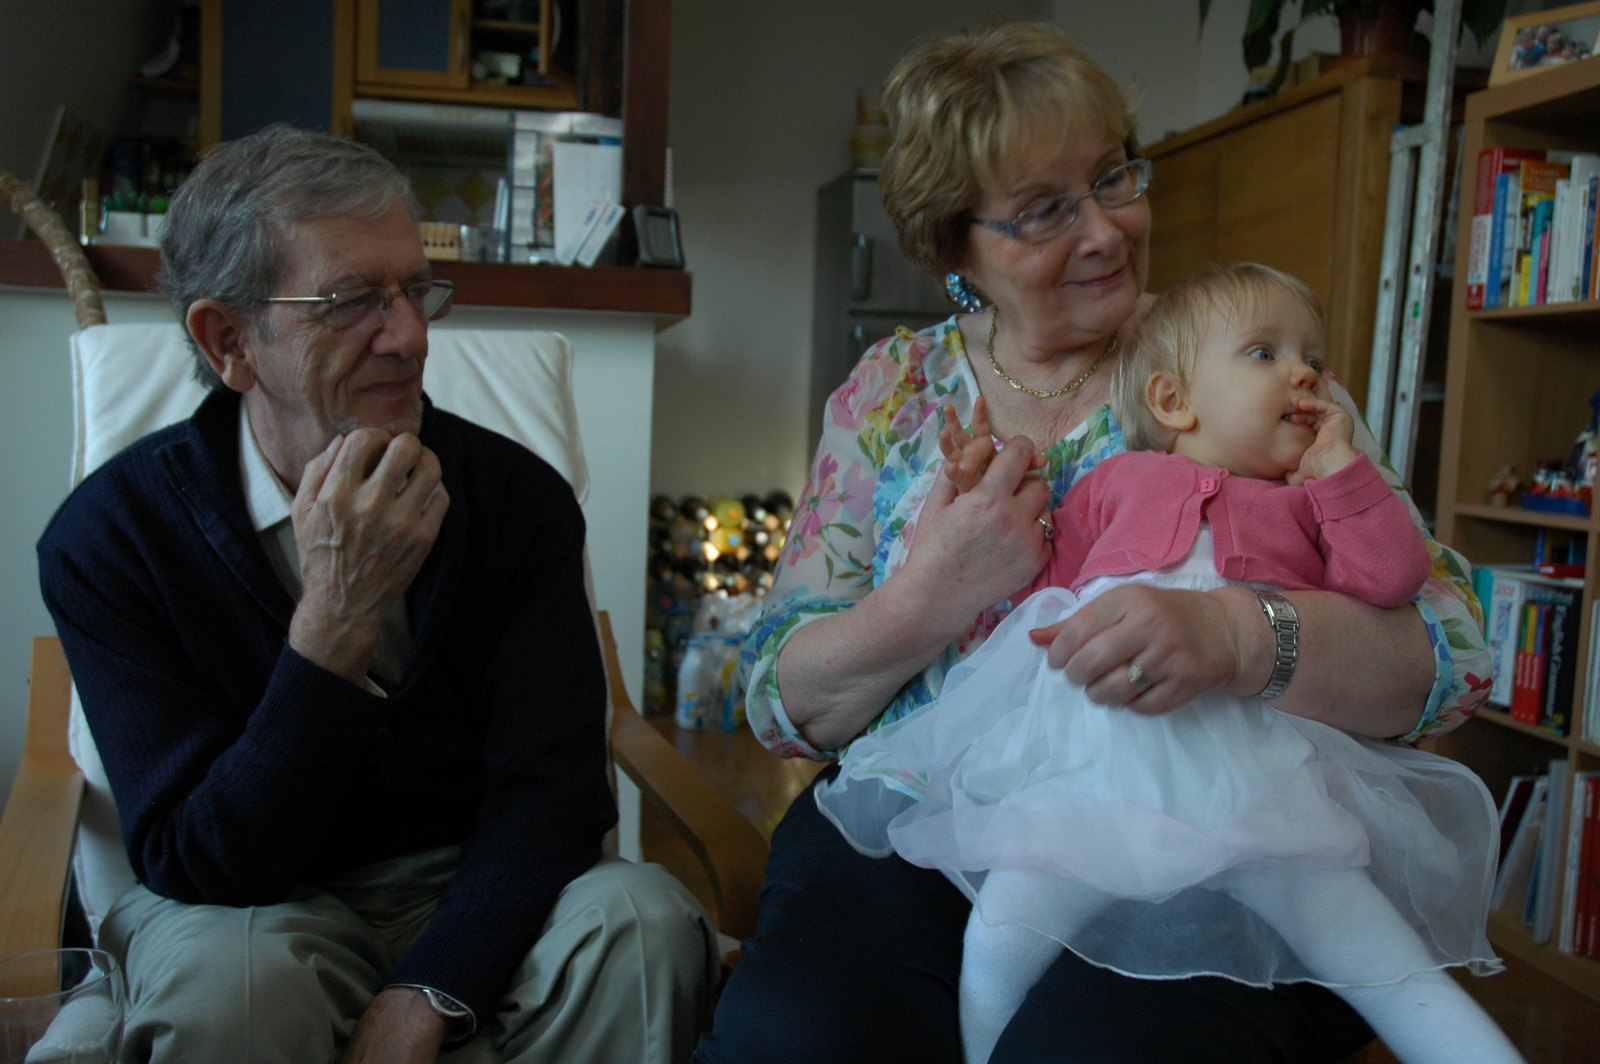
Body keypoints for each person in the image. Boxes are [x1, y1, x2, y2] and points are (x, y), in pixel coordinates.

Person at [693, 22, 1492, 1064]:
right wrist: (926, 597)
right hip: (922, 824)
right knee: (794, 1038)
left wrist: (1239, 635)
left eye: (1113, 177)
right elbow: (779, 699)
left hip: (1218, 833)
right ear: (954, 247)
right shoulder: (889, 393)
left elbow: (1451, 652)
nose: (1108, 231)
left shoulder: (1242, 365)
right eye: (1044, 210)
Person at [37, 125, 717, 1064]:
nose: (409, 336)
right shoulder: (111, 539)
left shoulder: (516, 501)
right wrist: (334, 624)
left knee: (642, 924)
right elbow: (196, 858)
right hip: (244, 910)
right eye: (353, 301)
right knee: (230, 987)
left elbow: (554, 794)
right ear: (229, 340)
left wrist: (431, 989)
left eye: (415, 292)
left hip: (466, 878)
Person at [815, 263, 1520, 1064]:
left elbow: (1392, 583)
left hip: (1260, 783)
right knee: (1002, 933)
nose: (1304, 374)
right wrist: (992, 502)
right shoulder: (1114, 484)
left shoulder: (1309, 502)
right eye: (1265, 353)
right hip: (1088, 781)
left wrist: (1346, 483)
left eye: (1313, 360)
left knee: (1384, 962)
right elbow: (1037, 597)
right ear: (1173, 400)